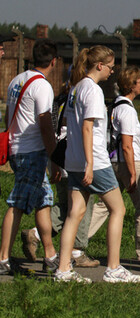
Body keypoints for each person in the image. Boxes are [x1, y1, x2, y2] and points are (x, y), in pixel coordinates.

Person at [55, 45, 140, 283]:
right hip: (93, 161)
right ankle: (113, 268)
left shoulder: (76, 88)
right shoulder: (92, 90)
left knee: (75, 212)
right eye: (111, 67)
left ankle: (63, 269)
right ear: (100, 65)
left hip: (73, 160)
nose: (112, 71)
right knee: (118, 209)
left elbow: (71, 124)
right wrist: (90, 164)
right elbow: (87, 127)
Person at [87, 66, 140, 261]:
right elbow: (127, 145)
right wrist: (132, 173)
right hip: (129, 163)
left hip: (113, 161)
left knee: (104, 205)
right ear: (131, 86)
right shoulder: (128, 111)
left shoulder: (114, 106)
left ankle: (78, 239)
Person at [21, 73, 99, 268]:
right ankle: (76, 250)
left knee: (66, 205)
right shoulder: (79, 98)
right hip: (71, 156)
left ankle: (36, 234)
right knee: (80, 204)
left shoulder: (60, 100)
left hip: (60, 155)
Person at [0, 39, 59, 275]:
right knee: (18, 203)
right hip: (32, 152)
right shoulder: (42, 86)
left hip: (17, 148)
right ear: (54, 62)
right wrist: (54, 159)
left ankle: (50, 255)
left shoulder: (17, 80)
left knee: (44, 200)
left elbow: (8, 115)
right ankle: (3, 258)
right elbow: (45, 125)